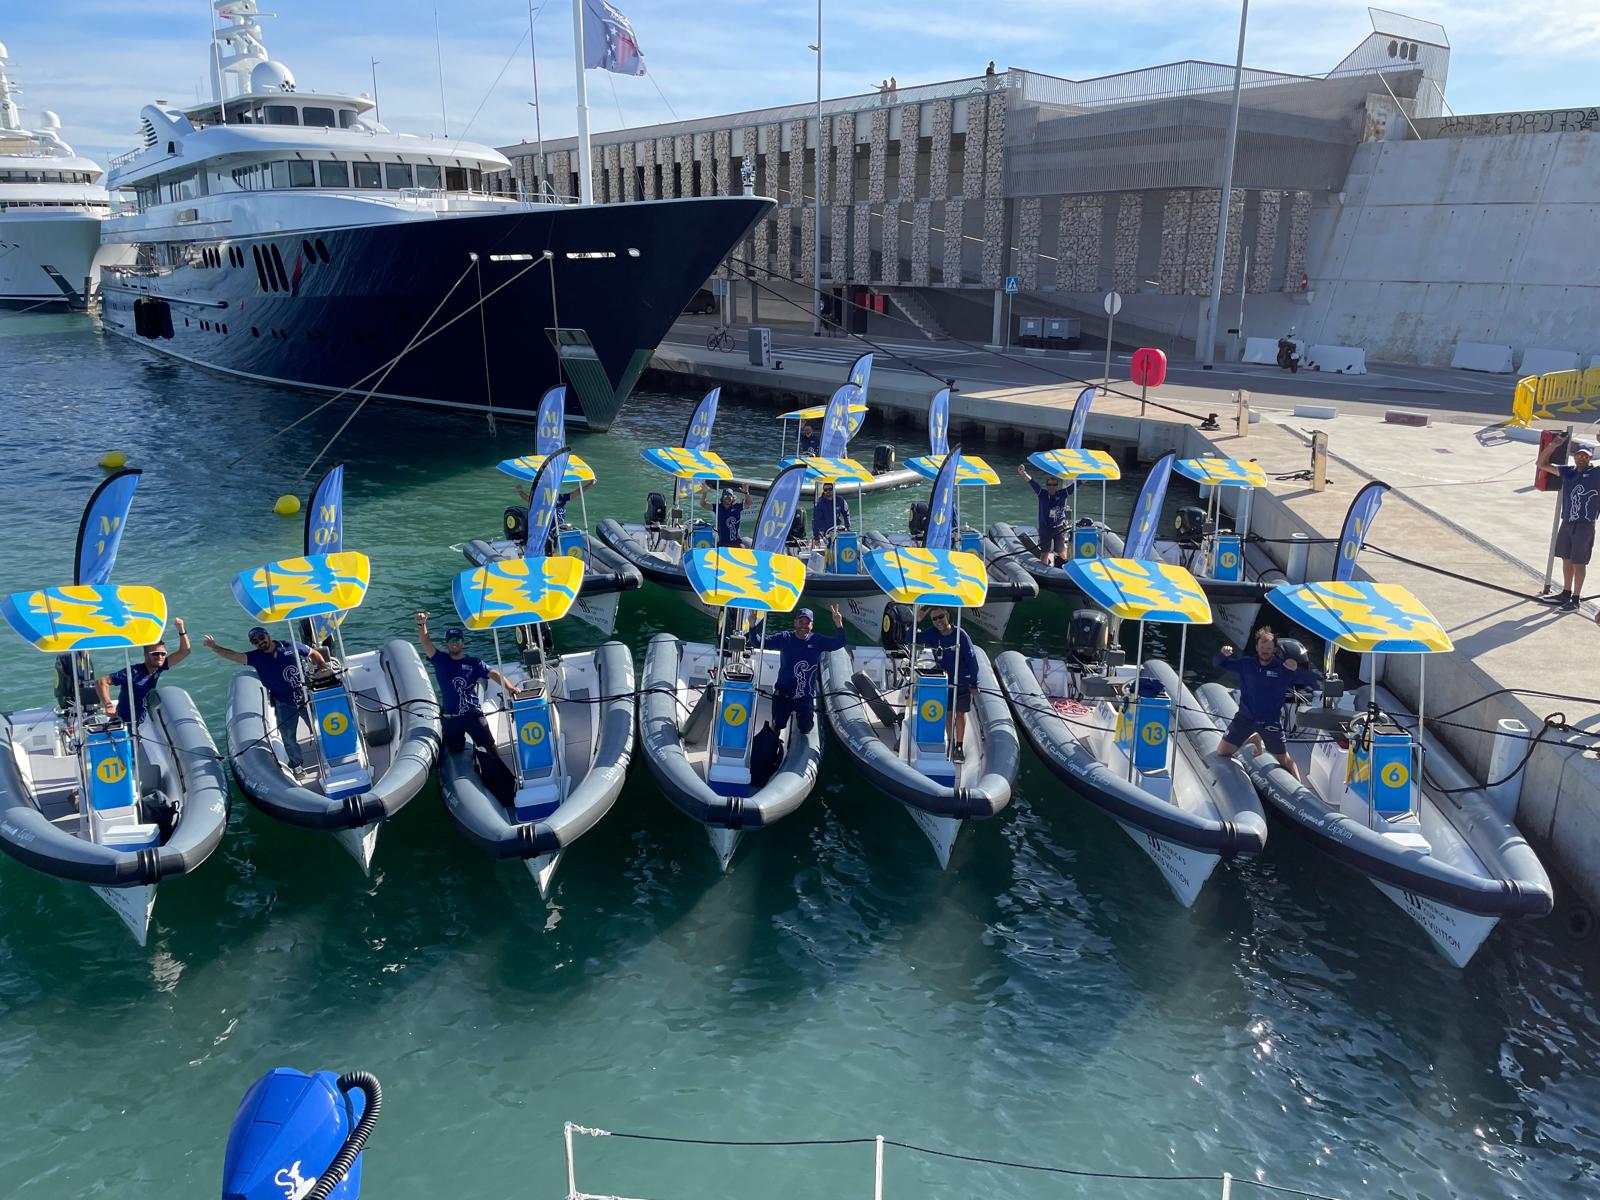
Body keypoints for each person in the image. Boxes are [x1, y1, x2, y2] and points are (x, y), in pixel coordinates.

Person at [203, 627, 326, 769]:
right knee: (288, 736)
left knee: (320, 727)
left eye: (261, 638)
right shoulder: (256, 657)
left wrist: (322, 665)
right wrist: (215, 647)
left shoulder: (290, 645)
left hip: (306, 698)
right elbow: (234, 655)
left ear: (267, 635)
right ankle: (297, 764)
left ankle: (329, 752)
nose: (260, 642)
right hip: (284, 703)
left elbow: (313, 653)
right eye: (255, 641)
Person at [1213, 626, 1316, 779]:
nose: (1265, 651)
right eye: (1262, 647)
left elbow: (1310, 681)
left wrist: (1296, 669)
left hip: (1270, 723)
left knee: (1285, 761)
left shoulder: (1283, 669)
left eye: (1269, 648)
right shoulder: (1246, 664)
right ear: (1256, 647)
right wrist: (1222, 654)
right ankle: (1254, 738)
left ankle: (1300, 788)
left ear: (1274, 650)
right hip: (1244, 718)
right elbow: (1218, 663)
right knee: (1222, 752)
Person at [415, 612, 511, 755]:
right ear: (446, 644)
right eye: (451, 639)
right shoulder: (440, 660)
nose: (455, 642)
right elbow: (426, 642)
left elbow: (494, 674)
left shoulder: (474, 663)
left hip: (473, 715)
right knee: (454, 752)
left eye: (458, 639)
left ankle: (499, 766)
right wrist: (422, 624)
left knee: (490, 746)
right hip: (451, 718)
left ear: (463, 643)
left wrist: (510, 688)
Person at [1536, 434, 1600, 611]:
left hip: (1585, 524)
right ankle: (1566, 592)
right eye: (1579, 455)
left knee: (1579, 561)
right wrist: (1552, 445)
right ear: (1574, 457)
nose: (1581, 458)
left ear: (1590, 458)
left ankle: (1575, 599)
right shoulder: (1568, 471)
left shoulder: (1596, 474)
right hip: (1567, 522)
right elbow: (1541, 464)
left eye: (1585, 456)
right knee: (1566, 558)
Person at [764, 605, 847, 736]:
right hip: (783, 694)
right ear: (795, 622)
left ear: (812, 625)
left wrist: (838, 623)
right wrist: (752, 626)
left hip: (804, 697)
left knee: (806, 728)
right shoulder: (784, 637)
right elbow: (758, 642)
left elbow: (840, 642)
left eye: (807, 623)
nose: (804, 625)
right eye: (801, 622)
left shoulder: (817, 640)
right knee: (777, 724)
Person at [95, 618, 190, 725]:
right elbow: (101, 682)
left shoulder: (159, 667)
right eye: (155, 653)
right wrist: (108, 705)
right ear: (146, 655)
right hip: (124, 721)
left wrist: (181, 629)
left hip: (139, 720)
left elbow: (185, 651)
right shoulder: (134, 672)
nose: (160, 657)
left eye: (163, 654)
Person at [923, 607, 978, 755]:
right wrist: (918, 619)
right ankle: (950, 741)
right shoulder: (932, 633)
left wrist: (974, 683)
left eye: (941, 617)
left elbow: (972, 660)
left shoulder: (961, 635)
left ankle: (959, 746)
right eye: (934, 619)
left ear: (947, 615)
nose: (938, 621)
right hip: (944, 682)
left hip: (962, 682)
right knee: (947, 713)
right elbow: (910, 639)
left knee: (960, 713)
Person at [516, 475, 596, 551]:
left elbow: (577, 492)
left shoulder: (560, 498)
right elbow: (528, 499)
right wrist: (520, 491)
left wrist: (590, 484)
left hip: (560, 529)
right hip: (548, 531)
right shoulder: (543, 500)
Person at [1017, 462, 1072, 565]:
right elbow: (1032, 482)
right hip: (1045, 528)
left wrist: (1084, 478)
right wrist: (1024, 473)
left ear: (1057, 486)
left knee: (1061, 551)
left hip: (1059, 528)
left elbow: (1075, 486)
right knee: (1044, 552)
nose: (1051, 487)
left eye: (1054, 485)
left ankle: (1066, 566)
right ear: (1047, 486)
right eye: (1049, 485)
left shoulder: (1062, 494)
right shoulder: (1042, 494)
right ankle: (1044, 568)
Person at [714, 484, 752, 548]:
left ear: (733, 498)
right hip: (723, 542)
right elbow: (703, 504)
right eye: (725, 496)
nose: (727, 498)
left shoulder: (737, 507)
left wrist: (746, 493)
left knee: (742, 547)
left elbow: (749, 503)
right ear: (722, 498)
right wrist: (704, 493)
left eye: (729, 496)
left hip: (735, 541)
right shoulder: (718, 507)